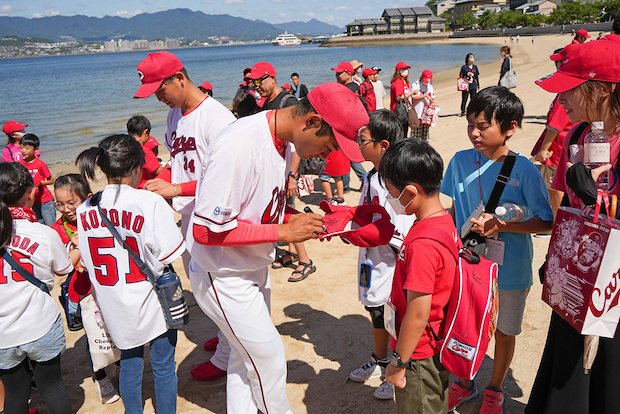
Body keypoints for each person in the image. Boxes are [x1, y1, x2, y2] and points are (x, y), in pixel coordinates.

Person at [186, 82, 368, 414]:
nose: (329, 155)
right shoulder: (240, 143)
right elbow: (204, 230)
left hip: (252, 264)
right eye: (329, 145)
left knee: (247, 360)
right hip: (223, 272)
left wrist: (307, 220)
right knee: (268, 359)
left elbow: (262, 208)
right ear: (311, 122)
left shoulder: (283, 140)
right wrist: (284, 231)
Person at [442, 86, 554, 414]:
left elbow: (546, 222)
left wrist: (504, 225)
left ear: (510, 127)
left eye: (483, 126)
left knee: (504, 331)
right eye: (470, 125)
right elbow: (452, 209)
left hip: (511, 270)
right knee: (465, 325)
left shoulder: (524, 170)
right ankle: (464, 382)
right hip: (470, 265)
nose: (474, 133)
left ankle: (495, 388)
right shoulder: (460, 162)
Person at [527, 36, 620, 414]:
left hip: (612, 284)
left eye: (569, 90)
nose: (559, 100)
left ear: (601, 90)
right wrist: (557, 257)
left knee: (609, 371)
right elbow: (569, 205)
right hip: (580, 275)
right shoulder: (579, 135)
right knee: (566, 363)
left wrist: (604, 199)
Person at [76, 134, 186, 414]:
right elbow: (169, 254)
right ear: (137, 167)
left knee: (129, 365)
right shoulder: (148, 202)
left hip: (115, 301)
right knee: (163, 367)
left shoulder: (85, 209)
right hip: (151, 300)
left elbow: (88, 260)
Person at [379, 139, 457, 413]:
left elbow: (417, 312)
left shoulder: (423, 243)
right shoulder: (442, 220)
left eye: (390, 191)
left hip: (418, 353)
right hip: (435, 340)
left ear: (411, 192)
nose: (389, 198)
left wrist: (398, 363)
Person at [349, 110, 414, 401]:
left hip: (391, 258)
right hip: (370, 256)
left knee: (392, 314)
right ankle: (380, 360)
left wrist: (386, 240)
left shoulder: (395, 178)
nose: (358, 145)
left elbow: (401, 224)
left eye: (363, 140)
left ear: (383, 144)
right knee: (374, 309)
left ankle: (398, 367)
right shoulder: (371, 176)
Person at [0, 162, 73, 413]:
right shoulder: (42, 233)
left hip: (2, 335)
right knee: (52, 387)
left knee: (15, 394)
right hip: (40, 324)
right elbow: (64, 270)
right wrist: (75, 250)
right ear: (31, 194)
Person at [51, 174, 120, 404]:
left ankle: (119, 363)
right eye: (59, 204)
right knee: (93, 334)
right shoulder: (58, 230)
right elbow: (61, 266)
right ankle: (100, 377)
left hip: (108, 284)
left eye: (72, 202)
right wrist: (78, 246)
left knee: (114, 327)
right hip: (81, 290)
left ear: (88, 198)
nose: (66, 209)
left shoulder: (98, 217)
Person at [530, 47, 577, 215]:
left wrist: (544, 149)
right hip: (564, 144)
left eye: (559, 61)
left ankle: (555, 222)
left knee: (554, 186)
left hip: (557, 147)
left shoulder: (564, 94)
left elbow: (555, 124)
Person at [332, 61, 367, 191]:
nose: (336, 75)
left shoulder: (349, 88)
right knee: (347, 156)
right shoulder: (353, 86)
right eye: (336, 73)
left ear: (348, 74)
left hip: (347, 129)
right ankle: (351, 183)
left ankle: (358, 181)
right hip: (350, 128)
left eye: (339, 73)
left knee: (347, 156)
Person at [18, 134, 55, 226]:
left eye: (27, 148)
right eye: (21, 148)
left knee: (50, 224)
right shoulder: (20, 164)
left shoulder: (40, 164)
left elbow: (51, 181)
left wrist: (39, 183)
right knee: (39, 224)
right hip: (32, 200)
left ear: (36, 149)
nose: (23, 151)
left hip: (45, 200)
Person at [126, 115, 163, 189]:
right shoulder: (144, 151)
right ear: (145, 132)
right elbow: (160, 172)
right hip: (145, 189)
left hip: (130, 189)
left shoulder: (124, 148)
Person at [409, 70, 435, 142]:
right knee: (415, 135)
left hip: (426, 113)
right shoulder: (415, 84)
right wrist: (425, 96)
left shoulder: (429, 86)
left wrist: (430, 99)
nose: (426, 83)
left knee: (425, 135)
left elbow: (432, 96)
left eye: (427, 81)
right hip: (417, 113)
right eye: (425, 81)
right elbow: (414, 97)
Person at [390, 62, 414, 139]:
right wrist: (412, 93)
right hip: (399, 110)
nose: (406, 71)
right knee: (401, 133)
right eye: (403, 69)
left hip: (405, 109)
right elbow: (399, 97)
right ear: (398, 71)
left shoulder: (404, 81)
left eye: (406, 69)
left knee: (405, 132)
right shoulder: (397, 82)